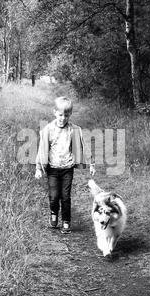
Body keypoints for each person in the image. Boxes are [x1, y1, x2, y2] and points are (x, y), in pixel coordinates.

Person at [35, 96, 96, 234]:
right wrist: (39, 168)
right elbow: (42, 149)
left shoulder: (73, 130)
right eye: (60, 115)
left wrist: (91, 163)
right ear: (54, 112)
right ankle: (53, 213)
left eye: (66, 115)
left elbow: (84, 146)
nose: (63, 118)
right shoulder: (48, 129)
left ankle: (66, 221)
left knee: (66, 196)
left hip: (67, 168)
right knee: (54, 196)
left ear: (70, 115)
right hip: (52, 169)